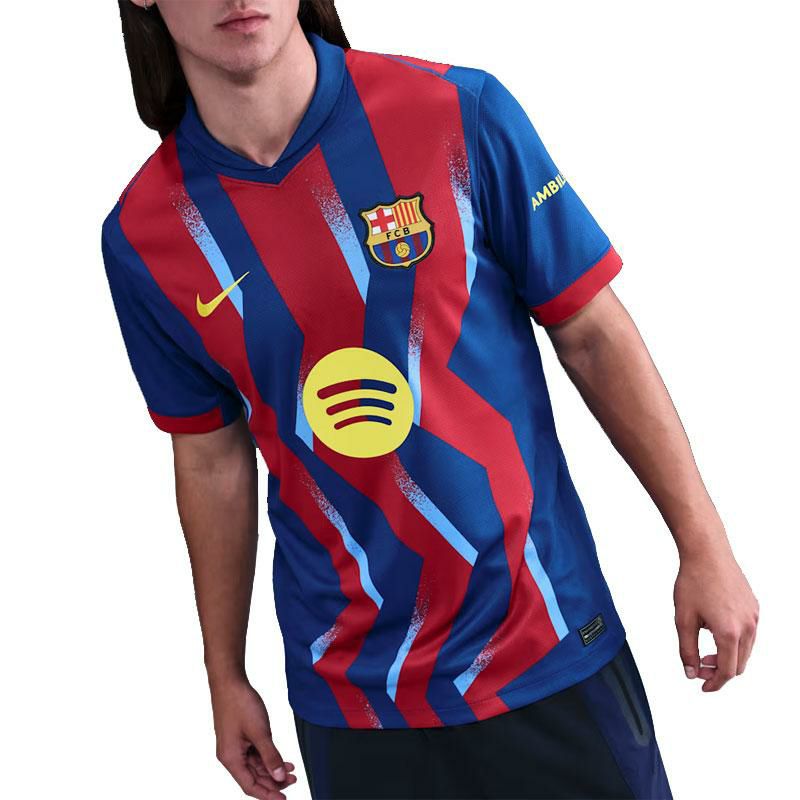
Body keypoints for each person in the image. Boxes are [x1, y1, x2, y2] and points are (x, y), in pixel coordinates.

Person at [101, 1, 759, 798]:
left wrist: (703, 542)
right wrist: (224, 673)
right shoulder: (144, 234)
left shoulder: (458, 112)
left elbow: (591, 333)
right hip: (351, 700)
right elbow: (211, 458)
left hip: (544, 647)